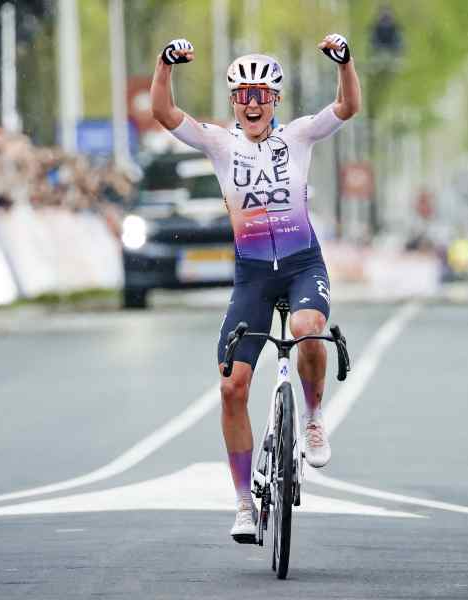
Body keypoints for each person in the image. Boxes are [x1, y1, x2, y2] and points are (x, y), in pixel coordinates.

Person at [150, 33, 360, 543]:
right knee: (231, 387)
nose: (251, 103)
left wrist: (345, 62)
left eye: (260, 95)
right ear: (232, 102)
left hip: (301, 264)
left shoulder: (301, 136)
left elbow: (347, 106)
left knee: (309, 328)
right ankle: (244, 503)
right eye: (242, 94)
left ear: (275, 101)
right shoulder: (220, 143)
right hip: (252, 277)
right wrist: (164, 65)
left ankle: (311, 418)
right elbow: (163, 112)